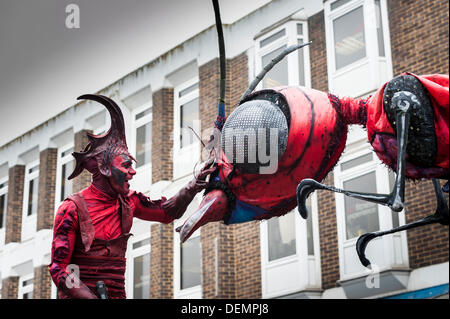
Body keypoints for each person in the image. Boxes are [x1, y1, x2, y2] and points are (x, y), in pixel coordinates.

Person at [48, 94, 214, 299]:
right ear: (105, 168)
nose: (133, 172)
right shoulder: (71, 209)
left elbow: (167, 213)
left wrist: (192, 186)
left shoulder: (129, 202)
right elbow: (59, 269)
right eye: (126, 165)